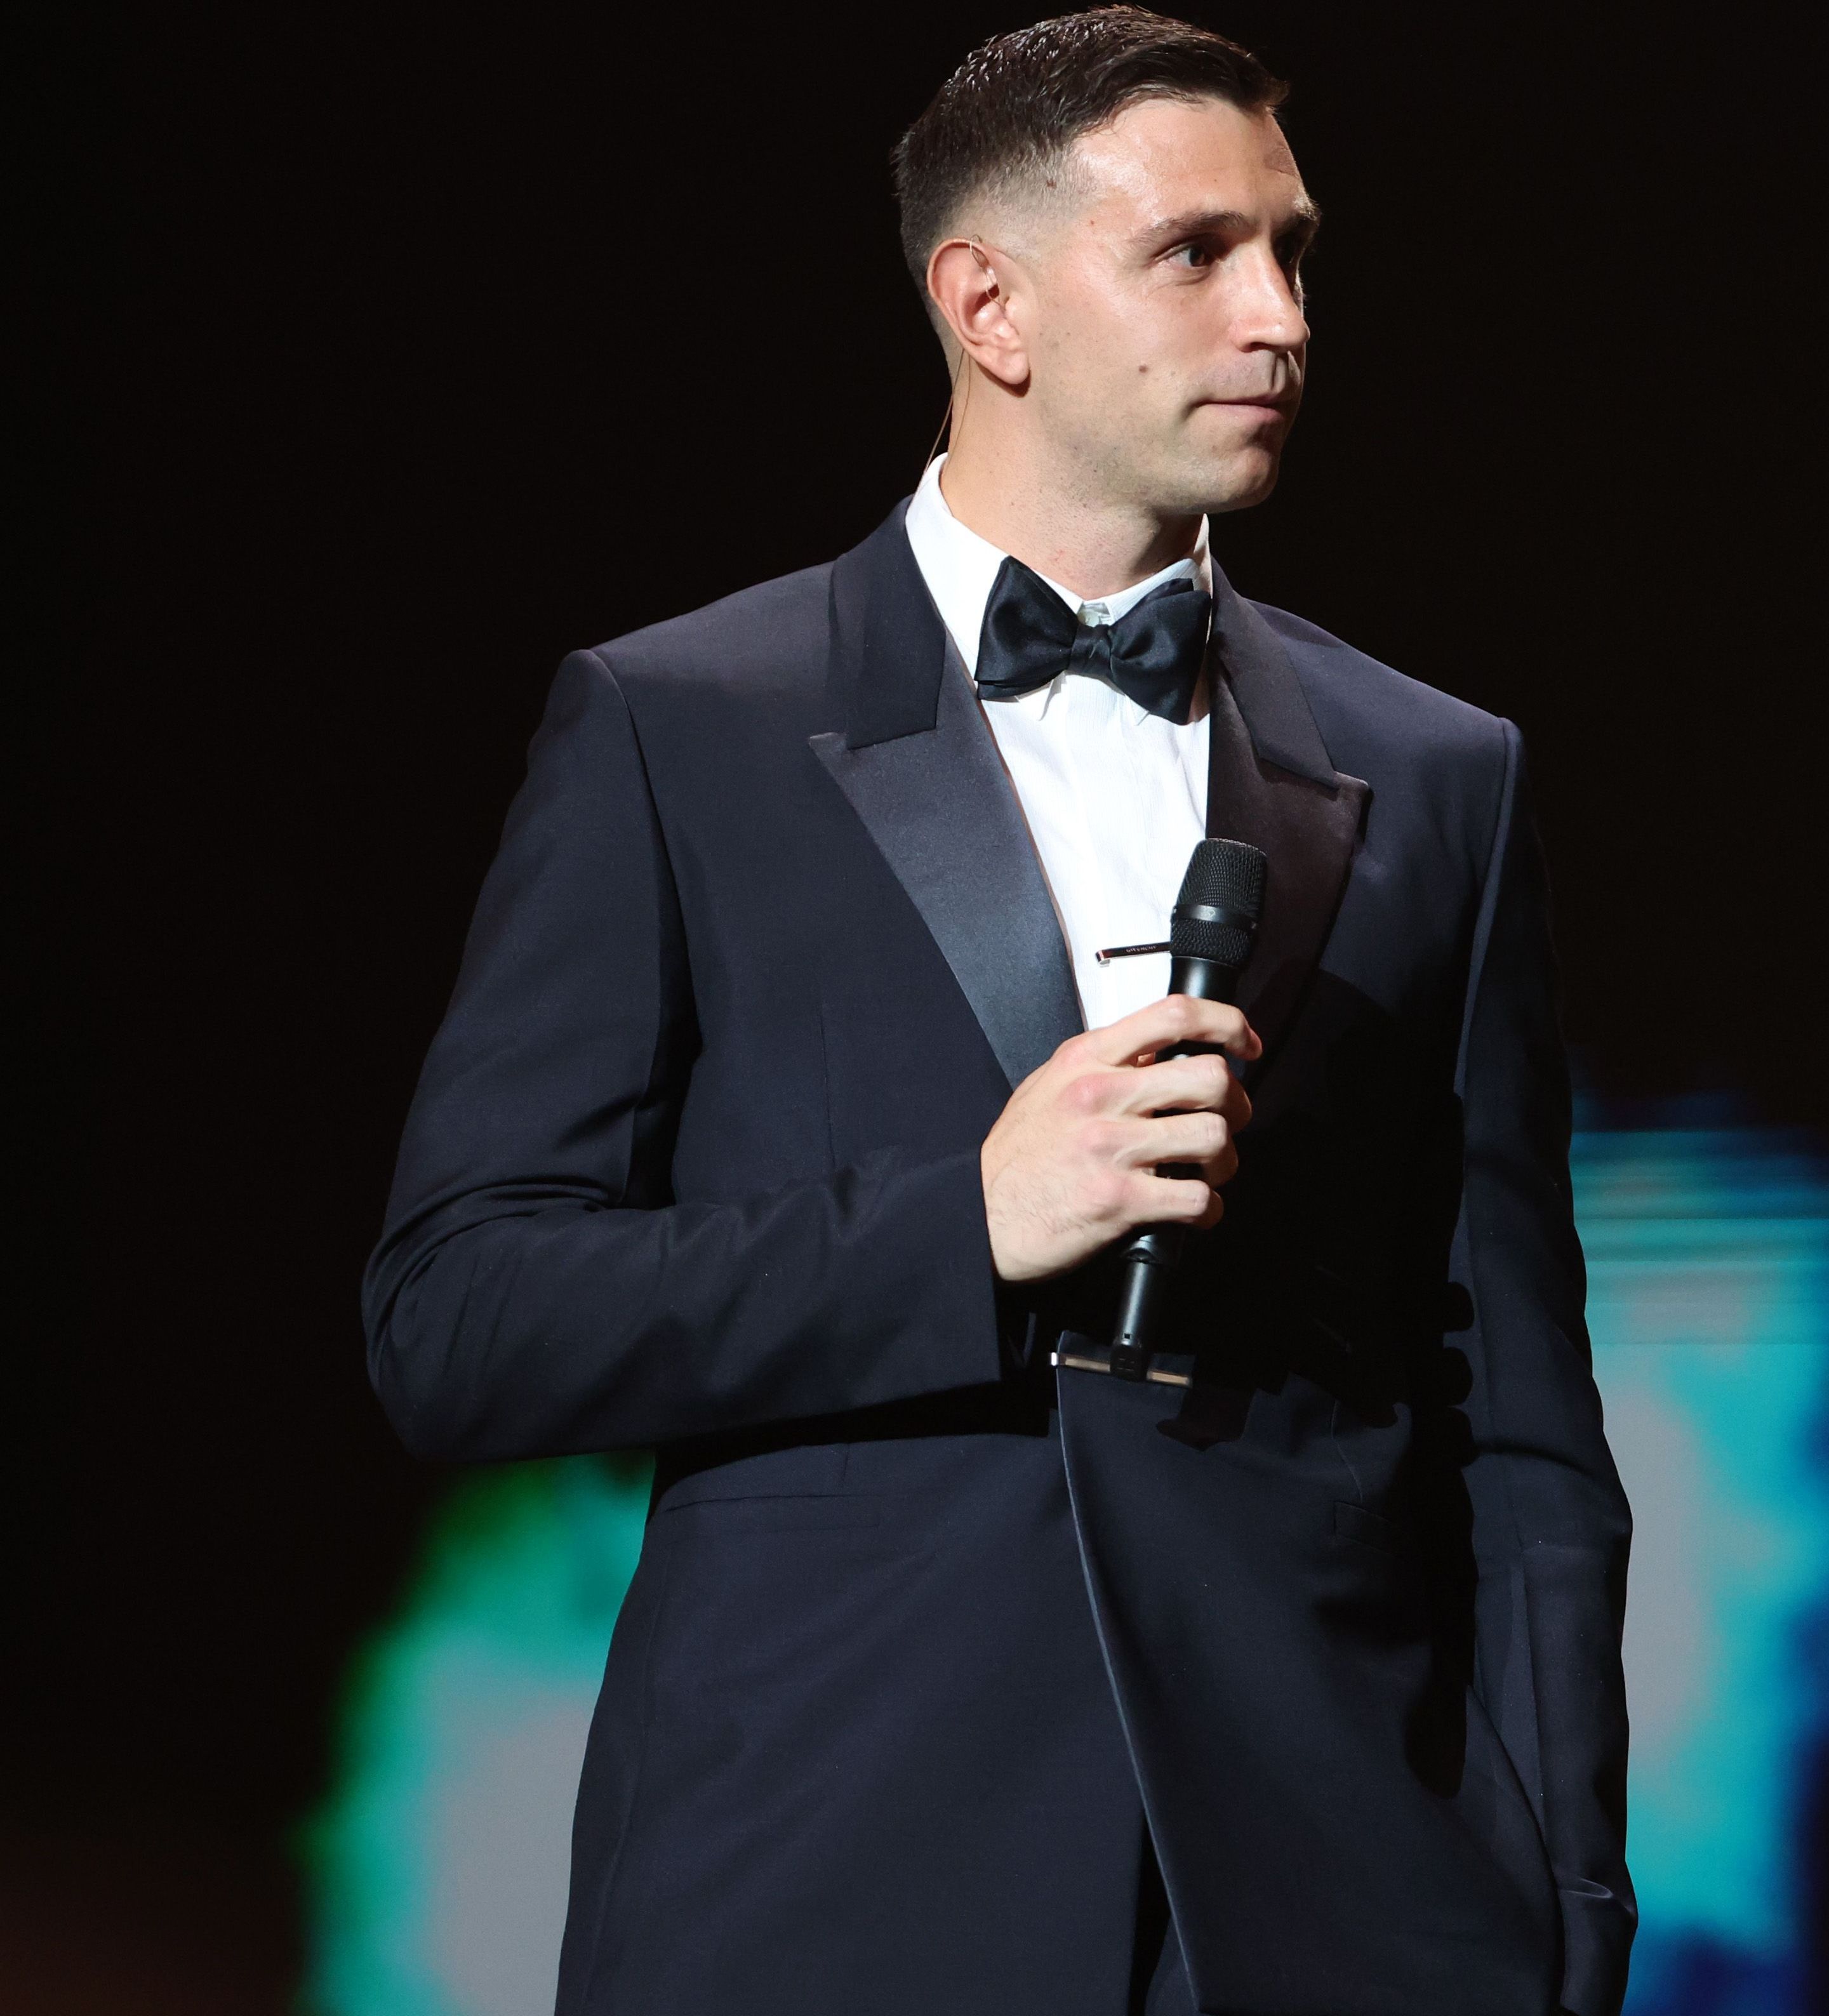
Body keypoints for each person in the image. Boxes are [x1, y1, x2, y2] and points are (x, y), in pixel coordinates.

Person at [362, 13, 1632, 2012]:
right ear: (991, 304)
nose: (1282, 317)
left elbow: (1521, 1422)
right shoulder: (681, 727)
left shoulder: (1439, 771)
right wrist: (960, 1227)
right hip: (831, 1878)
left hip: (1326, 1901)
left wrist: (1557, 1905)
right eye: (1200, 254)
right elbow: (459, 1316)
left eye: (1296, 253)